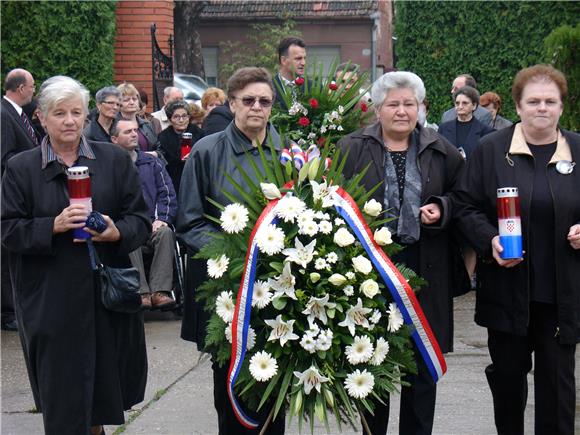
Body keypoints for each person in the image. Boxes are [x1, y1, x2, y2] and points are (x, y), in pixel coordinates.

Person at [1, 75, 151, 435]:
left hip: (106, 299)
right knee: (64, 404)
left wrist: (117, 232)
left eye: (76, 113)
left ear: (86, 117)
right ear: (41, 117)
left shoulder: (113, 160)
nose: (69, 121)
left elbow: (141, 220)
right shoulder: (21, 168)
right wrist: (51, 225)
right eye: (59, 113)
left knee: (100, 399)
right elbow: (7, 229)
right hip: (51, 301)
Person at [454, 64, 580, 435]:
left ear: (561, 106)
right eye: (534, 101)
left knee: (558, 389)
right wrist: (488, 238)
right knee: (508, 383)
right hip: (507, 292)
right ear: (518, 105)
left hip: (562, 295)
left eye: (550, 101)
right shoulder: (491, 150)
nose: (542, 108)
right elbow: (464, 205)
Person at [337, 71, 465, 435]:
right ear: (377, 109)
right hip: (369, 274)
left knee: (421, 374)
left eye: (410, 104)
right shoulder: (352, 148)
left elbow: (464, 197)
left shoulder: (441, 149)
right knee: (371, 369)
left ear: (421, 108)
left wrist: (442, 206)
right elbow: (332, 200)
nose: (402, 111)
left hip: (425, 270)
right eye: (393, 104)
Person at [176, 67, 285, 435]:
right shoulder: (207, 151)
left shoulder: (287, 152)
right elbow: (189, 221)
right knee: (231, 380)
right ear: (232, 103)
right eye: (248, 100)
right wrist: (234, 258)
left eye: (264, 101)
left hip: (276, 286)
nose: (257, 107)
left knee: (276, 374)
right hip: (226, 286)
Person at [110, 118, 177, 310]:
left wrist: (161, 219)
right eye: (127, 131)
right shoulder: (110, 165)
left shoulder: (151, 162)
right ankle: (140, 292)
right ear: (114, 139)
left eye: (135, 130)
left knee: (165, 233)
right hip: (124, 225)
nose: (134, 134)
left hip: (151, 222)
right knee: (129, 233)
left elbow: (167, 194)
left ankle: (160, 291)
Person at [1, 68, 37, 332]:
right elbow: (5, 158)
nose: (34, 91)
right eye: (32, 87)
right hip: (11, 193)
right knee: (7, 253)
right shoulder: (3, 114)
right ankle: (7, 311)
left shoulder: (18, 114)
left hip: (22, 190)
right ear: (21, 88)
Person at [157, 100, 203, 195]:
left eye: (184, 116)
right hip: (174, 182)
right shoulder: (164, 137)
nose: (181, 120)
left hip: (196, 180)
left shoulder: (199, 133)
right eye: (176, 117)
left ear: (189, 117)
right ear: (170, 119)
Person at [439, 86, 494, 159]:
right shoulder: (443, 129)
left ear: (474, 106)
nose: (460, 106)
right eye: (457, 103)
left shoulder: (485, 131)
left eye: (465, 103)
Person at [117, 82, 158, 152]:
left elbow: (158, 146)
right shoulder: (114, 126)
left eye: (134, 99)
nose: (132, 102)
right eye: (126, 100)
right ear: (118, 103)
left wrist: (156, 154)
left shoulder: (147, 124)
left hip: (149, 161)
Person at [273, 36, 306, 108]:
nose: (303, 63)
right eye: (298, 58)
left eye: (304, 58)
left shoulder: (313, 87)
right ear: (283, 60)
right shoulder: (268, 87)